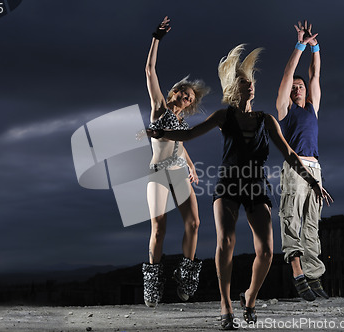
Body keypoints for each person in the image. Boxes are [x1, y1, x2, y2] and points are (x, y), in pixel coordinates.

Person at [147, 44, 332, 329]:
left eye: (253, 83)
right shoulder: (224, 117)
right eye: (246, 83)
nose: (252, 87)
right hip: (228, 185)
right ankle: (225, 304)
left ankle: (249, 297)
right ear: (236, 88)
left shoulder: (266, 120)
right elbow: (190, 133)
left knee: (267, 252)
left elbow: (289, 154)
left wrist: (311, 181)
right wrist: (161, 132)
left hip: (256, 185)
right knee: (226, 242)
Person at [142, 16, 210, 308]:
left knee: (194, 222)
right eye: (183, 92)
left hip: (179, 172)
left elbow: (180, 144)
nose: (185, 96)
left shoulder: (181, 121)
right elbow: (149, 70)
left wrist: (192, 165)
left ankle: (186, 276)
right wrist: (156, 38)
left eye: (189, 97)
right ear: (173, 93)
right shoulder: (159, 107)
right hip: (158, 173)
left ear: (190, 104)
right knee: (158, 227)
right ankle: (153, 284)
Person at [276, 21, 332, 301]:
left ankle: (314, 277)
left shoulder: (312, 107)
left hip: (316, 169)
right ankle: (298, 274)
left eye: (300, 86)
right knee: (291, 219)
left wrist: (315, 47)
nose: (297, 88)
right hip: (295, 169)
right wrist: (299, 45)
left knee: (312, 224)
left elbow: (315, 74)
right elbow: (289, 72)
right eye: (294, 87)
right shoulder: (284, 111)